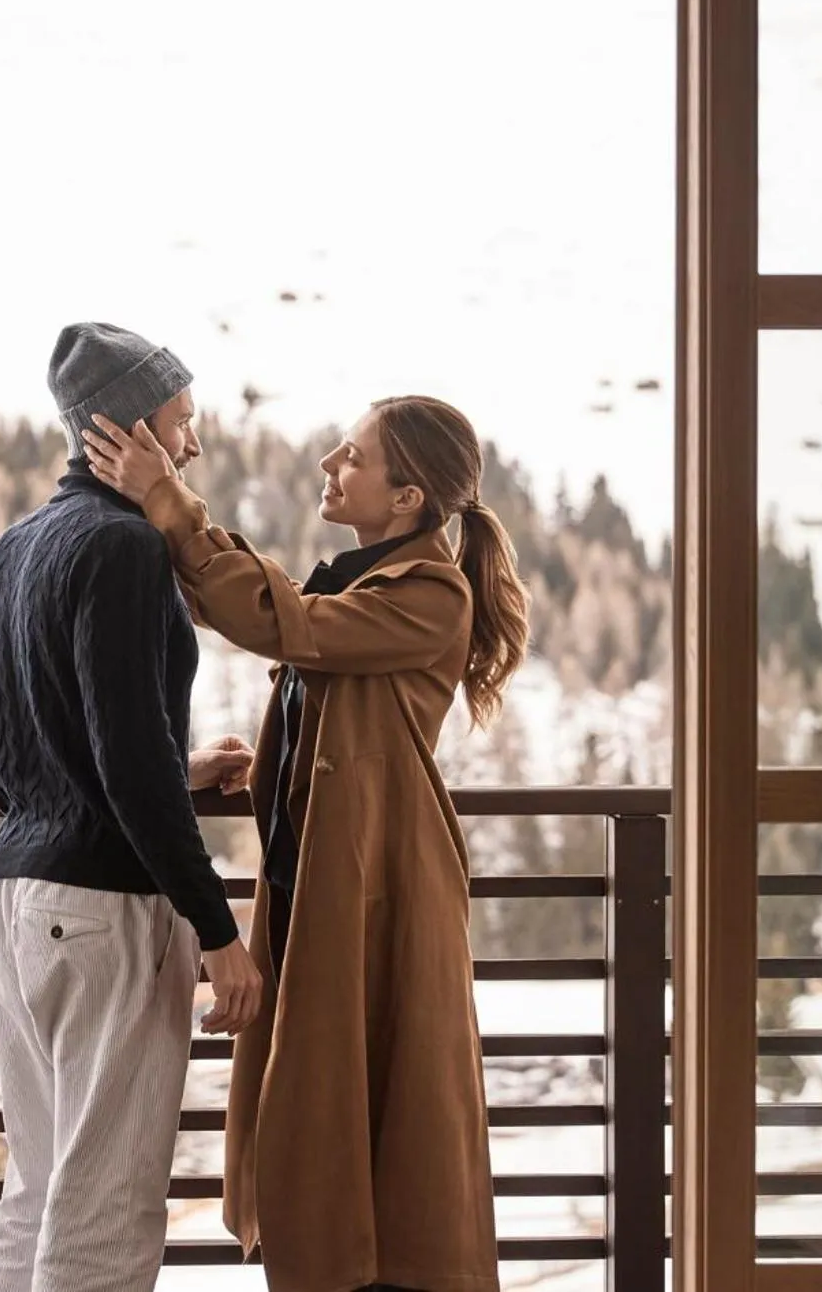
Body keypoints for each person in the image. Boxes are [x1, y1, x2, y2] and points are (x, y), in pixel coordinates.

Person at [81, 395, 530, 1292]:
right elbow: (305, 651)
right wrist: (273, 769)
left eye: (353, 455)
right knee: (325, 1106)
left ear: (407, 499)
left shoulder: (431, 592)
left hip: (382, 883)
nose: (330, 461)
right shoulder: (367, 580)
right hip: (331, 876)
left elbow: (279, 621)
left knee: (370, 1113)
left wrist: (171, 502)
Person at [0, 322, 265, 1292]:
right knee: (102, 1214)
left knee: (38, 1190)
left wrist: (170, 771)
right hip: (104, 914)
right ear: (129, 430)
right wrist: (218, 932)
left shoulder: (15, 550)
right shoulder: (129, 549)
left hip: (15, 904)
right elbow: (127, 766)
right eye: (180, 421)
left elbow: (12, 760)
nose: (191, 445)